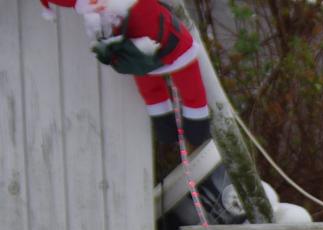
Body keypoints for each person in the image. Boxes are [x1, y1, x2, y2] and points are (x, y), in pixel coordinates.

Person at [41, 0, 211, 149]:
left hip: (142, 44)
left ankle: (180, 123)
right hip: (144, 43)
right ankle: (185, 123)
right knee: (173, 74)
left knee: (161, 77)